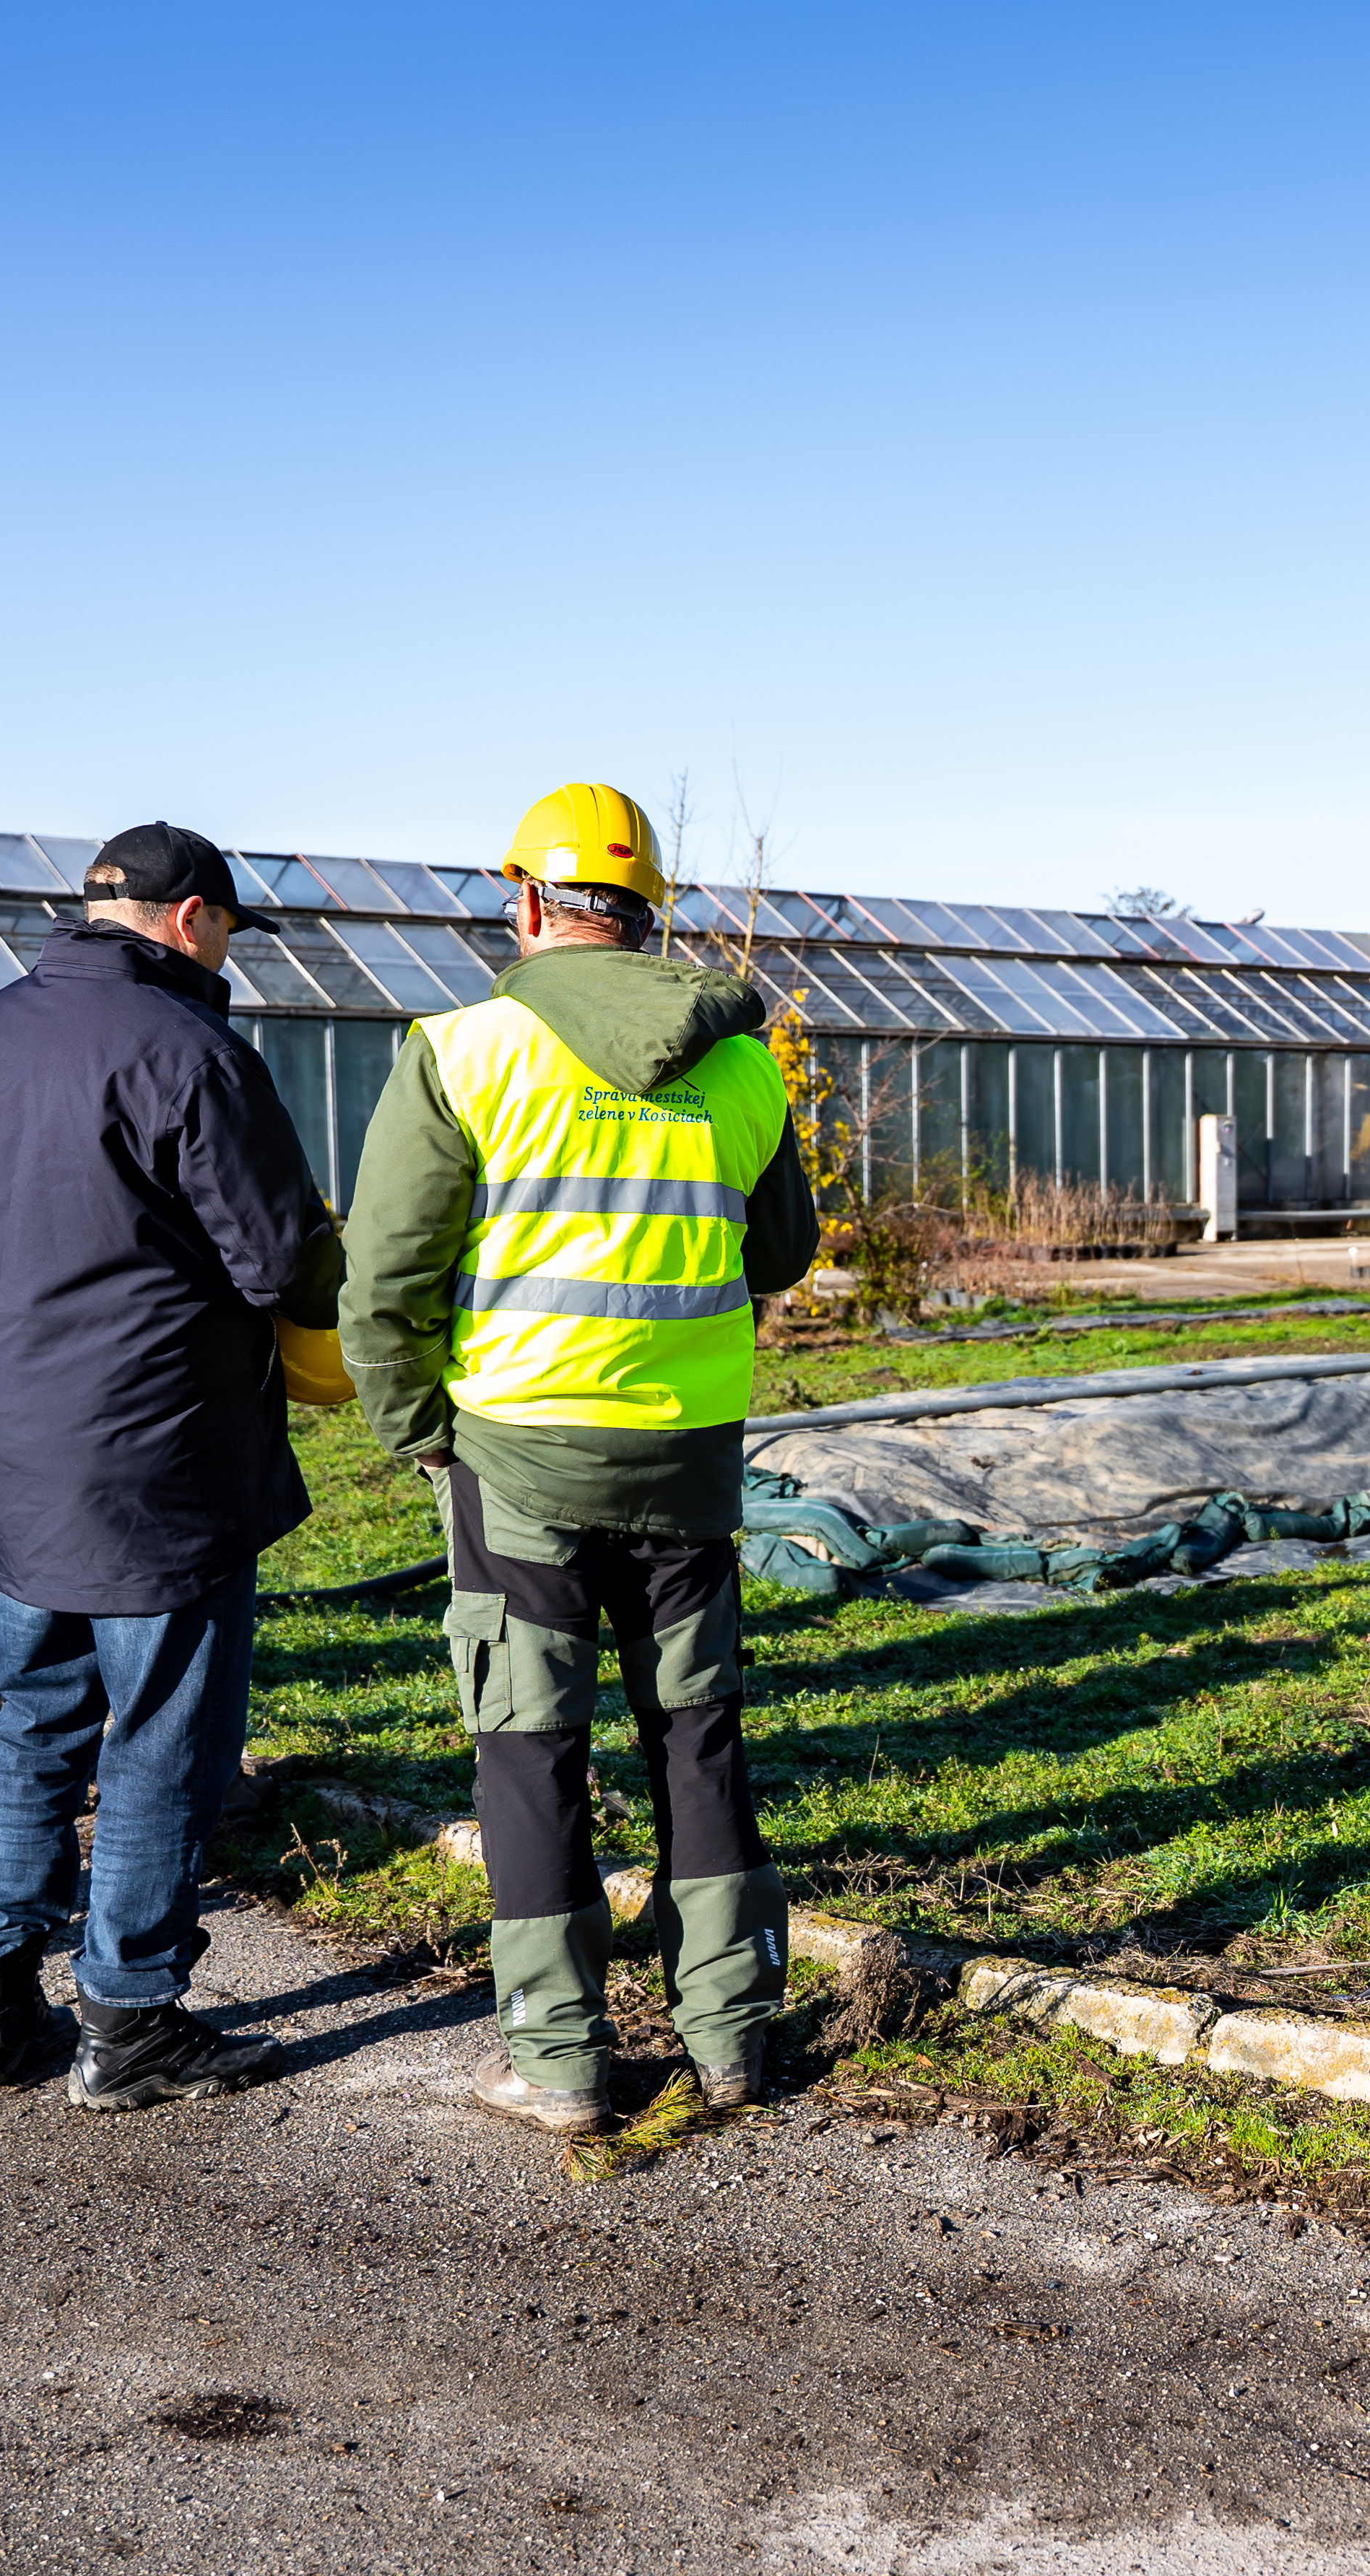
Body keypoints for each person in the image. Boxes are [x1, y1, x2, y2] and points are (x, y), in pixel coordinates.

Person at [339, 783, 817, 2135]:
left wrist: (415, 1430)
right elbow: (779, 1252)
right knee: (698, 1739)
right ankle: (730, 2037)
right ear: (647, 916)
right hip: (689, 1463)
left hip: (522, 1464)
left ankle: (559, 2062)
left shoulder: (463, 1049)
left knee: (531, 1749)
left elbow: (383, 1281)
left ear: (532, 902)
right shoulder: (742, 1062)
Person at [0, 822, 342, 2110]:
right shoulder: (195, 1053)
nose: (227, 954)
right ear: (190, 918)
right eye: (226, 931)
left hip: (16, 1442)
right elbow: (279, 1262)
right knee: (162, 1736)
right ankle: (133, 2016)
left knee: (37, 1722)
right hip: (158, 1450)